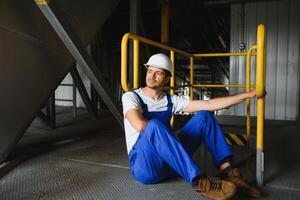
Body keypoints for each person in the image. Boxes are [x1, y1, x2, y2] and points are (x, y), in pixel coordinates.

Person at [122, 53, 261, 200]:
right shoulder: (131, 97)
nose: (151, 76)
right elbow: (139, 124)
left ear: (167, 78)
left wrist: (247, 95)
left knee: (204, 116)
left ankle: (229, 173)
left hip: (170, 164)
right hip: (145, 167)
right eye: (150, 71)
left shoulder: (170, 100)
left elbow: (209, 104)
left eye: (158, 73)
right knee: (153, 125)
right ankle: (200, 182)